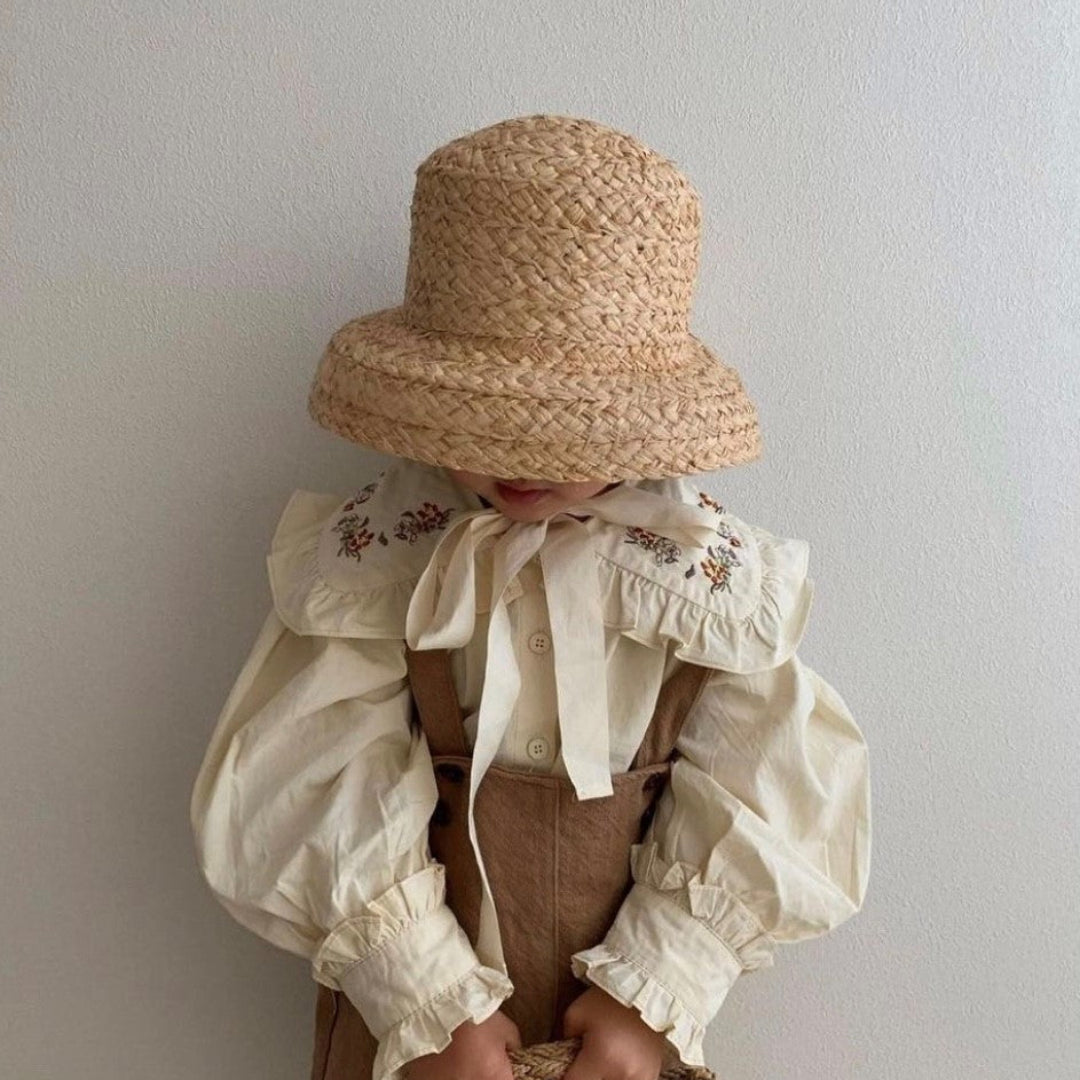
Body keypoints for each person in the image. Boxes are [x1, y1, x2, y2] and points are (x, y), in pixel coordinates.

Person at [190, 115, 871, 1080]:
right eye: (493, 424)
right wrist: (426, 1003)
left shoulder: (699, 584)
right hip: (415, 1037)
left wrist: (656, 992)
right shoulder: (382, 562)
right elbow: (307, 778)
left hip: (630, 1035)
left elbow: (776, 788)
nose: (522, 467)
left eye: (566, 433)